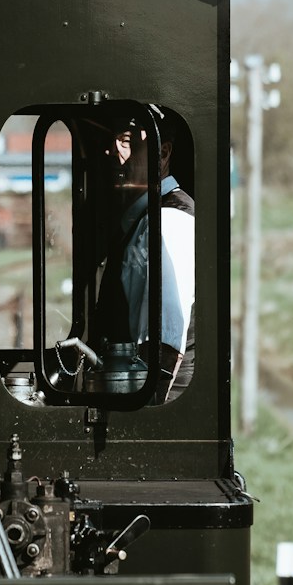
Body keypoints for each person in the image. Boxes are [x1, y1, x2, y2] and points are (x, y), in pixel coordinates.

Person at [102, 107, 194, 403]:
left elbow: (166, 343)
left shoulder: (169, 221)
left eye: (126, 140)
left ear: (163, 152)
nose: (112, 151)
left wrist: (146, 416)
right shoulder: (148, 219)